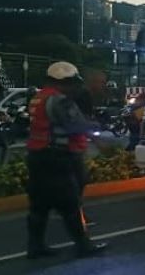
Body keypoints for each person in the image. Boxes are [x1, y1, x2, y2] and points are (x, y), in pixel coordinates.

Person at [25, 62, 107, 259]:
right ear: (65, 82)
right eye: (72, 83)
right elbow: (76, 125)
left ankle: (35, 247)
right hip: (57, 158)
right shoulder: (60, 100)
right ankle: (83, 245)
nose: (74, 87)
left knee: (39, 206)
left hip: (36, 157)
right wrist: (94, 126)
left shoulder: (38, 97)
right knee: (70, 203)